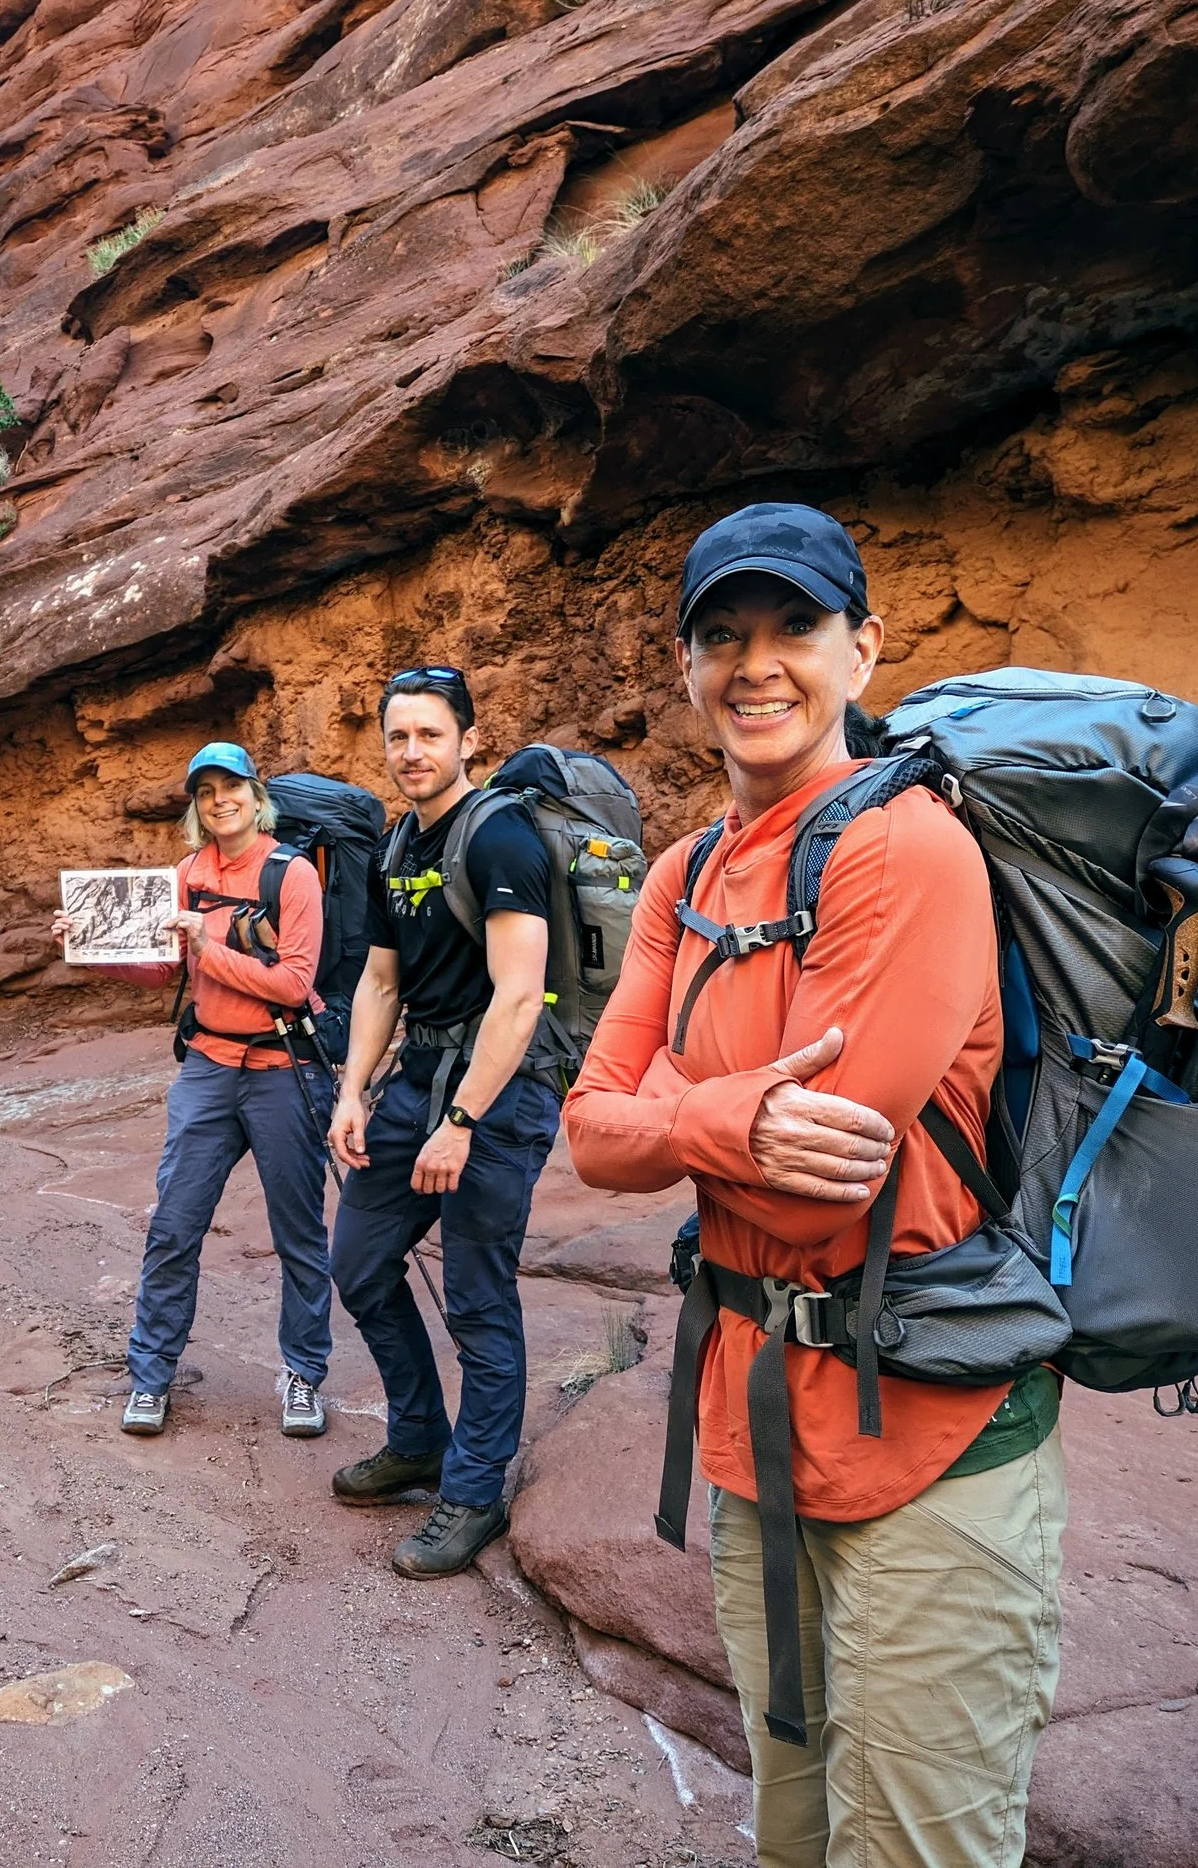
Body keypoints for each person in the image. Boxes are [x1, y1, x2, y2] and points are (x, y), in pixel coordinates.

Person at [562, 504, 1062, 1866]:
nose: (756, 662)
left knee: (911, 1850)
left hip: (930, 1438)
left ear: (864, 649)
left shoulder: (908, 852)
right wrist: (732, 1114)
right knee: (790, 1830)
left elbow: (810, 1195)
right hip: (759, 1433)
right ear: (685, 668)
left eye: (795, 626)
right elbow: (589, 1134)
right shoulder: (683, 872)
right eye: (721, 634)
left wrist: (672, 1110)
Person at [325, 666, 557, 1579]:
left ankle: (474, 1490)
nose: (412, 752)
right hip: (419, 1075)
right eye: (398, 736)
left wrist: (461, 1119)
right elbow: (380, 981)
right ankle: (420, 1436)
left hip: (496, 1091)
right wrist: (353, 1092)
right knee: (360, 1261)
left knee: (475, 1296)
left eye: (430, 734)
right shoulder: (395, 844)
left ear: (468, 740)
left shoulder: (498, 836)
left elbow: (520, 996)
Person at [55, 742, 334, 1441]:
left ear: (254, 793)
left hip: (283, 1067)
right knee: (174, 1226)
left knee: (298, 1233)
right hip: (208, 1067)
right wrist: (91, 948)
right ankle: (150, 1376)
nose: (219, 801)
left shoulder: (291, 874)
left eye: (230, 786)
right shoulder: (186, 873)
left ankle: (304, 1375)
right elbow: (160, 971)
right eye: (205, 791)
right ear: (196, 804)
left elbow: (296, 984)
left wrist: (211, 947)